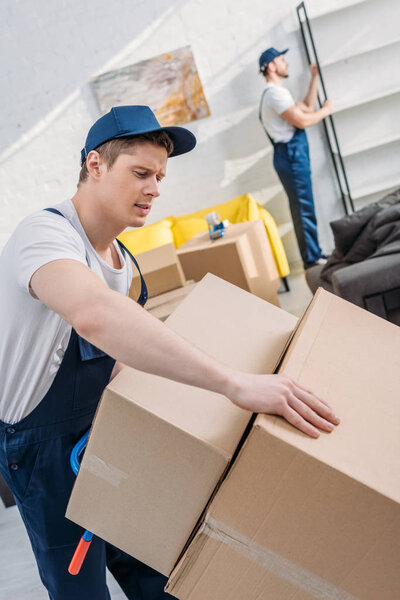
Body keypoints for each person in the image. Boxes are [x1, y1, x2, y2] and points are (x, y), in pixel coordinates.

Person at [0, 105, 340, 600]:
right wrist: (231, 383)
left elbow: (119, 360)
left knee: (159, 573)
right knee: (80, 591)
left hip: (104, 431)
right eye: (141, 173)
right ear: (95, 164)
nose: (155, 189)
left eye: (160, 176)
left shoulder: (122, 258)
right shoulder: (45, 236)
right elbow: (93, 314)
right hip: (41, 453)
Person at [258, 47, 334, 269]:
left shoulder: (279, 92)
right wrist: (326, 110)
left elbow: (307, 108)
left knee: (304, 205)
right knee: (303, 207)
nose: (286, 63)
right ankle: (311, 259)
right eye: (282, 60)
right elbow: (302, 121)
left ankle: (314, 253)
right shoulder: (274, 93)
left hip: (291, 155)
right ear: (271, 66)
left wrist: (314, 77)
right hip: (290, 156)